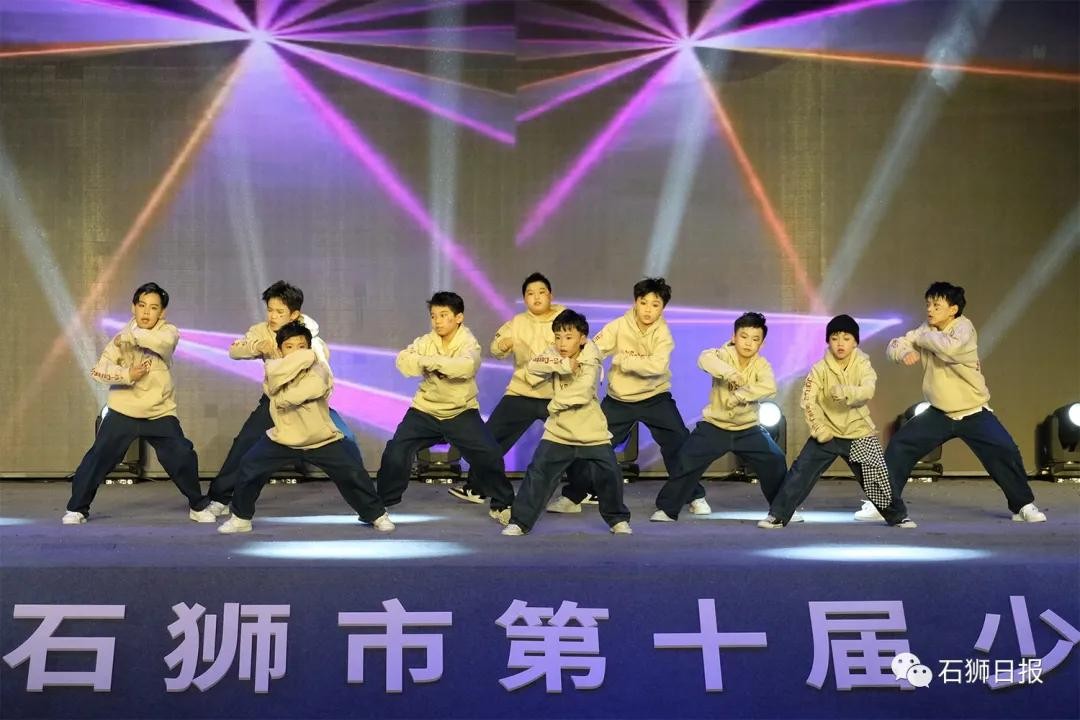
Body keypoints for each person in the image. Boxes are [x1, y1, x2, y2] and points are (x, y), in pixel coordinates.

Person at [859, 282, 1046, 524]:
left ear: (953, 309)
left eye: (936, 305)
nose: (930, 309)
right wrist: (904, 352)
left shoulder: (964, 329)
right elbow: (894, 345)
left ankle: (1023, 505)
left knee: (1004, 450)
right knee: (901, 445)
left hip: (973, 411)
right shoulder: (927, 330)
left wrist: (919, 337)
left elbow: (950, 349)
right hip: (939, 412)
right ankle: (883, 503)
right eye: (928, 304)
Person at [217, 321, 392, 533]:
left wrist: (285, 396)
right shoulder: (272, 368)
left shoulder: (319, 368)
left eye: (301, 346)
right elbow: (273, 385)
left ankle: (376, 514)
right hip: (283, 438)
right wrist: (293, 365)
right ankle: (241, 518)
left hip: (321, 438)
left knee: (353, 473)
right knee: (249, 466)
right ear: (280, 349)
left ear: (309, 348)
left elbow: (312, 388)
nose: (296, 351)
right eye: (289, 346)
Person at [63, 283, 212, 524]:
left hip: (159, 412)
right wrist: (127, 374)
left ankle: (197, 505)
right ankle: (77, 509)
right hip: (123, 411)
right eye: (142, 305)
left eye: (153, 308)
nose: (146, 312)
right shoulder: (119, 339)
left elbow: (161, 344)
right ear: (133, 307)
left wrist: (129, 336)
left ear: (162, 313)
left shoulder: (168, 332)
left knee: (182, 455)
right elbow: (98, 371)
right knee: (98, 458)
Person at [758, 315, 915, 529]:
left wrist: (846, 392)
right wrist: (819, 427)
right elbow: (808, 401)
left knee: (878, 477)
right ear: (828, 341)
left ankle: (898, 517)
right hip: (827, 432)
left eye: (846, 338)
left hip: (858, 431)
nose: (840, 343)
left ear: (855, 342)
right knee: (800, 473)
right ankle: (777, 515)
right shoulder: (819, 369)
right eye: (834, 338)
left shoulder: (863, 364)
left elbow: (867, 390)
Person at [376, 292, 513, 523]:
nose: (437, 321)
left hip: (460, 411)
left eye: (443, 315)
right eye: (433, 316)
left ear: (458, 317)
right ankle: (380, 504)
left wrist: (429, 362)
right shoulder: (425, 341)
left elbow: (466, 368)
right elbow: (403, 362)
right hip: (425, 411)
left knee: (489, 454)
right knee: (396, 451)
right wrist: (427, 362)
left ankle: (502, 504)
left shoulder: (469, 343)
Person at [503, 309, 632, 536]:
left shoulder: (592, 358)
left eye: (569, 337)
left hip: (591, 430)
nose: (562, 343)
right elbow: (533, 366)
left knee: (610, 474)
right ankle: (520, 521)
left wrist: (554, 405)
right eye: (558, 337)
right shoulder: (554, 352)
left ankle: (618, 519)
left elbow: (583, 391)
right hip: (559, 431)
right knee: (538, 473)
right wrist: (562, 364)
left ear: (582, 339)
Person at [652, 312, 787, 522]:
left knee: (775, 459)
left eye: (755, 339)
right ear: (734, 337)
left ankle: (782, 510)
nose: (748, 343)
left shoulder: (762, 365)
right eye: (744, 336)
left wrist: (741, 395)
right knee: (686, 459)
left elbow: (769, 387)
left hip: (748, 428)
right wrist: (730, 373)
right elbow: (703, 359)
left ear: (762, 343)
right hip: (715, 426)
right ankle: (668, 509)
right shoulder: (722, 354)